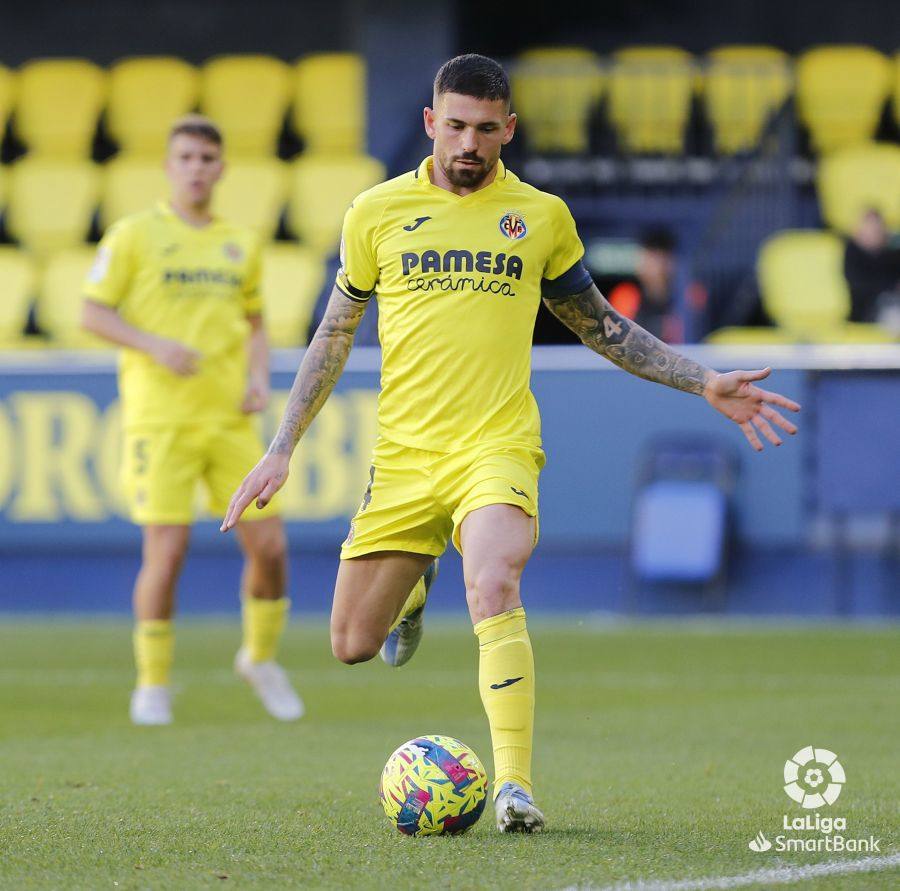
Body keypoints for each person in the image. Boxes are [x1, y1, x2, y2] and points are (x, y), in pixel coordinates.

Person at [221, 56, 800, 832]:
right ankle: (415, 586)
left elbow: (601, 326)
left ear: (508, 130)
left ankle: (515, 787)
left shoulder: (541, 217)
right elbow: (334, 331)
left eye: (485, 129)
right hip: (405, 459)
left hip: (496, 445)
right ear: (430, 122)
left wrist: (703, 381)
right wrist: (282, 445)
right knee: (351, 643)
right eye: (455, 125)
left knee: (494, 582)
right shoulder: (376, 212)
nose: (469, 142)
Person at [82, 115, 303, 726]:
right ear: (168, 166)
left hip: (230, 420)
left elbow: (255, 322)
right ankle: (152, 683)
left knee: (272, 548)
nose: (197, 168)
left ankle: (258, 658)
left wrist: (260, 377)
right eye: (186, 157)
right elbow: (91, 313)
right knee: (168, 551)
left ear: (222, 167)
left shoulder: (240, 242)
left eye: (207, 158)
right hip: (163, 420)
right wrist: (155, 346)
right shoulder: (133, 236)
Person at [607, 226, 682, 342]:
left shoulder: (687, 297)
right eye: (649, 258)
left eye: (660, 259)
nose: (654, 267)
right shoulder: (625, 294)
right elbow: (616, 338)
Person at [843, 208, 900, 326]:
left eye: (877, 229)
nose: (873, 233)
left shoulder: (892, 253)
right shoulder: (853, 253)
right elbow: (859, 287)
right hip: (866, 310)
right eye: (869, 228)